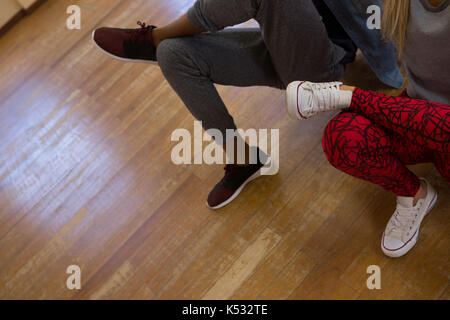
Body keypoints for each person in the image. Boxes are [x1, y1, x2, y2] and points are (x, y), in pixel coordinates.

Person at [92, 0, 404, 210]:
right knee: (174, 54)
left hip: (330, 62)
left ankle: (154, 38)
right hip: (285, 42)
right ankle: (243, 158)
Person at [285, 0, 449, 257]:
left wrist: (354, 99)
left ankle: (348, 96)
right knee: (342, 137)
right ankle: (414, 194)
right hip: (414, 117)